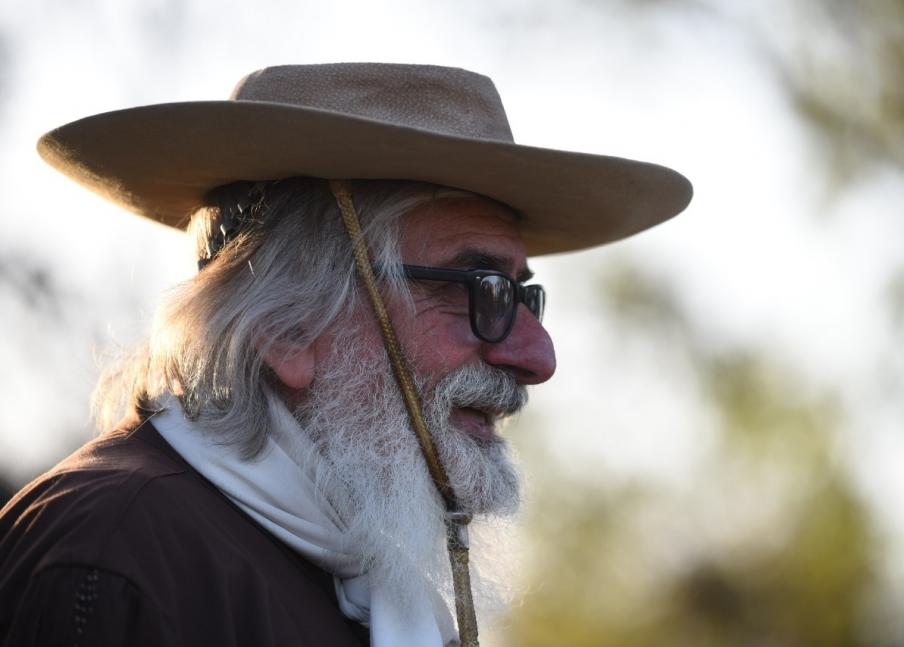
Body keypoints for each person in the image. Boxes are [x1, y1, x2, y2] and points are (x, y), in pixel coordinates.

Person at [0, 63, 691, 646]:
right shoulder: (115, 559)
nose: (537, 356)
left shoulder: (361, 586)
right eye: (481, 289)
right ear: (290, 325)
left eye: (519, 296)